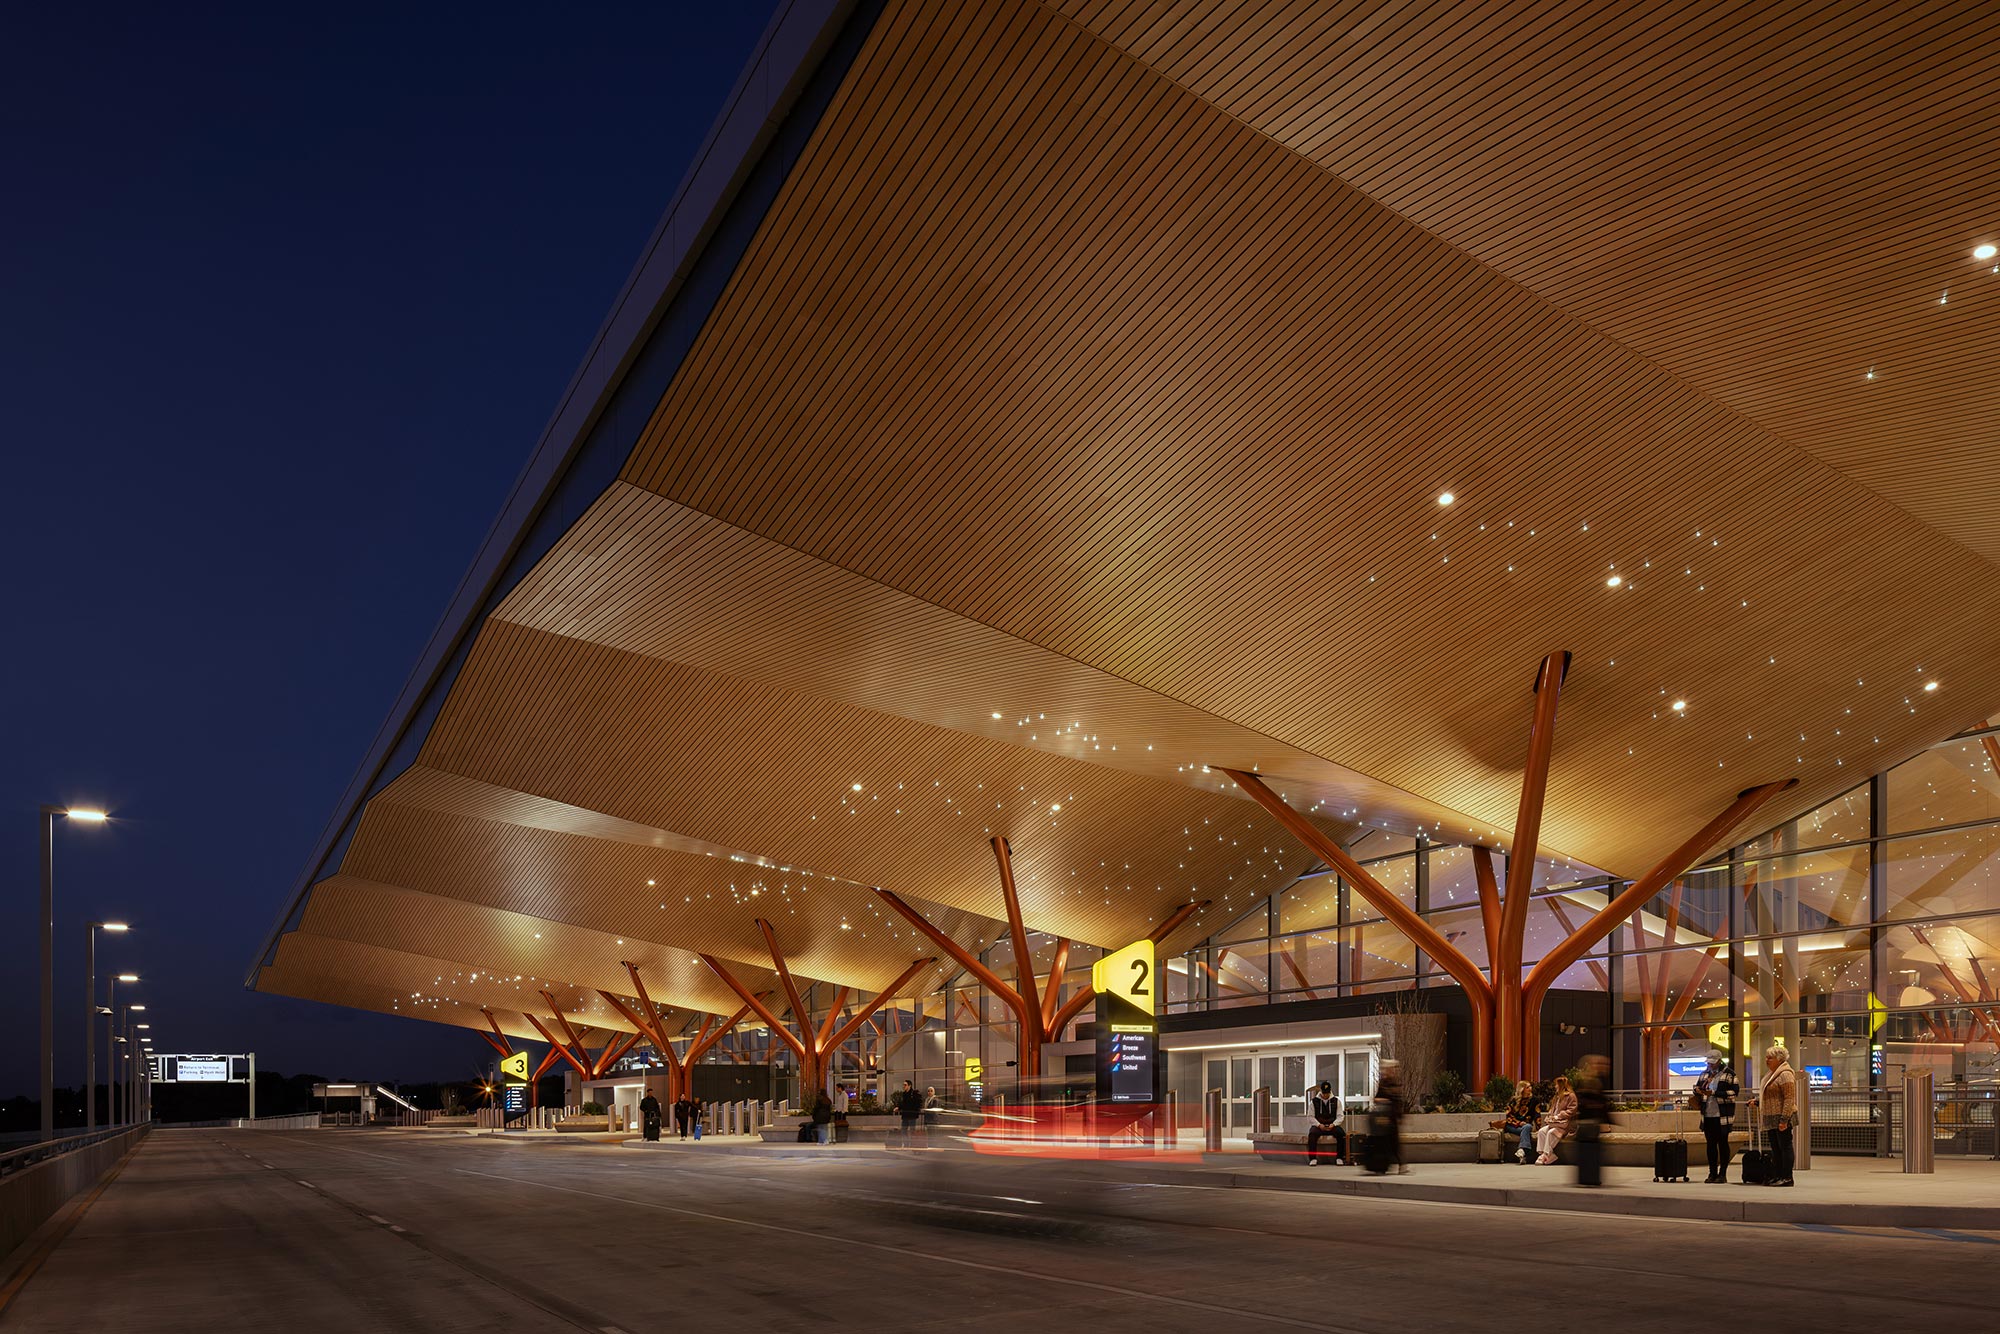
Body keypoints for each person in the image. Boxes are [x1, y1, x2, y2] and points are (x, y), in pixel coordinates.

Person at [1751, 1044, 1798, 1187]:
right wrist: (1758, 1102)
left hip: (1781, 1117)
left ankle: (1787, 1177)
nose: (1767, 1060)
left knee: (1785, 1147)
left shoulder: (1785, 1074)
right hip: (1771, 1118)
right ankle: (1778, 1175)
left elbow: (1789, 1098)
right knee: (1776, 1149)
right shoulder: (1772, 1074)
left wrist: (1784, 1120)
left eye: (1770, 1058)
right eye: (1766, 1057)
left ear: (1779, 1059)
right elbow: (1772, 1096)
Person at [1693, 1053, 1740, 1183]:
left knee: (1723, 1143)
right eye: (1709, 1062)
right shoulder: (1704, 1074)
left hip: (1723, 1115)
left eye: (1713, 1062)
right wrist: (1697, 1090)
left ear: (1719, 1061)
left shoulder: (1729, 1074)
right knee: (1710, 1145)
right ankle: (1712, 1173)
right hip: (1707, 1114)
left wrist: (1714, 1093)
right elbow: (1697, 1087)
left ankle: (1722, 1173)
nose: (1710, 1065)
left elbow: (1734, 1092)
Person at [1572, 1055, 1611, 1187]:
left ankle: (1587, 1177)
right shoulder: (1590, 1082)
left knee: (1588, 1151)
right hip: (1589, 1123)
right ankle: (1590, 1177)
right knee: (1590, 1151)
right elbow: (1598, 1102)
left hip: (1588, 1123)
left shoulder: (1587, 1081)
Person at [1370, 1060, 1406, 1175]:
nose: (1393, 1071)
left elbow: (1399, 1101)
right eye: (1392, 1069)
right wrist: (1385, 1101)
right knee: (1385, 1142)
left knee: (1394, 1142)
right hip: (1384, 1118)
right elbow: (1376, 1098)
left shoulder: (1395, 1083)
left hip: (1393, 1117)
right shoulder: (1383, 1083)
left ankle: (1401, 1164)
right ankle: (1383, 1166)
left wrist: (1400, 1116)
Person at [1534, 1075, 1577, 1164]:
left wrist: (1559, 1116)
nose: (1555, 1086)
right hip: (1555, 1123)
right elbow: (1552, 1110)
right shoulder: (1557, 1097)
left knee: (1551, 1133)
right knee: (1542, 1131)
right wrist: (1550, 1117)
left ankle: (1546, 1154)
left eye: (1556, 1085)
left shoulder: (1571, 1096)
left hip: (1565, 1125)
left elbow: (1572, 1110)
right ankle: (1545, 1154)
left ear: (1561, 1085)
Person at [1304, 1080, 1346, 1166]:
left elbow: (1340, 1116)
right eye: (1324, 1093)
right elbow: (1310, 1116)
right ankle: (1313, 1159)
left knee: (1341, 1134)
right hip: (1319, 1125)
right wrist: (1319, 1125)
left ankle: (1339, 1158)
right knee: (1312, 1134)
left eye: (1327, 1093)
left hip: (1332, 1124)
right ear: (1321, 1091)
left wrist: (1334, 1124)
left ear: (1330, 1091)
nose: (1325, 1095)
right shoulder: (1314, 1101)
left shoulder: (1336, 1101)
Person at [1500, 1080, 1539, 1164]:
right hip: (1512, 1126)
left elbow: (1537, 1115)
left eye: (1530, 1086)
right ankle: (1523, 1152)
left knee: (1527, 1127)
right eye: (1527, 1087)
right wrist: (1518, 1123)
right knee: (1526, 1129)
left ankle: (1521, 1151)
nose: (1530, 1088)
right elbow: (1509, 1116)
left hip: (1526, 1126)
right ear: (1522, 1089)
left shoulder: (1534, 1100)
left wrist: (1538, 1129)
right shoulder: (1513, 1100)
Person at [892, 1079, 924, 1147]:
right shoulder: (904, 1094)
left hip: (912, 1115)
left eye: (905, 1085)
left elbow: (918, 1104)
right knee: (903, 1130)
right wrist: (898, 1108)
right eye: (903, 1085)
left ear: (909, 1086)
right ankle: (906, 1144)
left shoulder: (914, 1093)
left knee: (912, 1131)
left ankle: (912, 1144)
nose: (904, 1086)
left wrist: (916, 1111)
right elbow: (903, 1104)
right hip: (905, 1115)